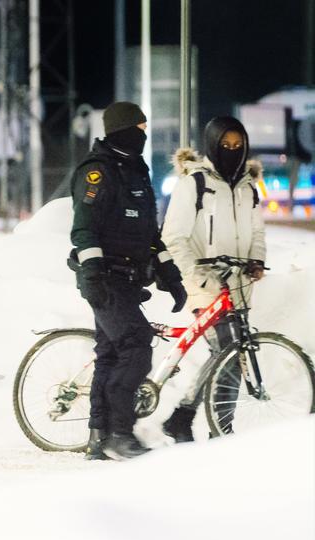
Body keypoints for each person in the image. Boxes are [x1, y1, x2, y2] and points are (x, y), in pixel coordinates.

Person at [70, 101, 187, 460]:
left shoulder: (135, 170)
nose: (144, 134)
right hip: (105, 279)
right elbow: (84, 230)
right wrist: (92, 275)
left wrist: (170, 275)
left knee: (110, 355)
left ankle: (98, 437)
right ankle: (120, 433)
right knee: (136, 343)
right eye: (139, 128)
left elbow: (150, 234)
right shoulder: (98, 173)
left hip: (129, 278)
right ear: (122, 129)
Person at [160, 116, 267, 441]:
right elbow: (173, 237)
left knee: (231, 356)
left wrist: (257, 260)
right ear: (212, 144)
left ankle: (192, 418)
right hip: (203, 283)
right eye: (225, 145)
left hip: (238, 283)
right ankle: (216, 429)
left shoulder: (248, 186)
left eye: (238, 146)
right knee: (228, 353)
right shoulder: (195, 183)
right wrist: (198, 276)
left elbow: (257, 231)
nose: (232, 151)